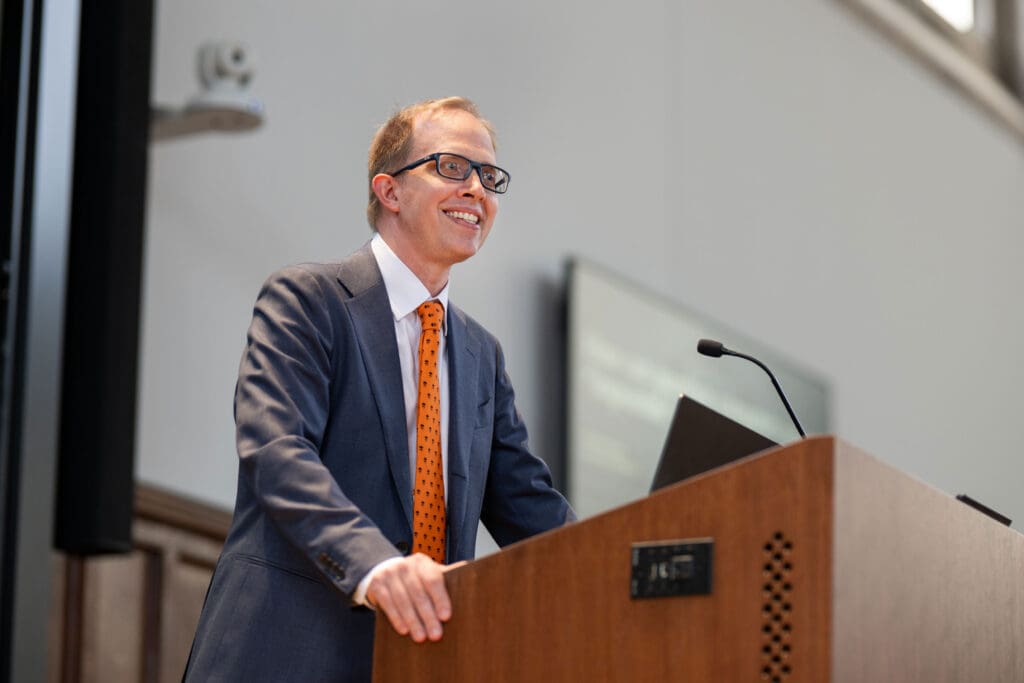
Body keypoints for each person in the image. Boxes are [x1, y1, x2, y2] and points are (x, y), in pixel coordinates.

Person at [182, 96, 575, 682]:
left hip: (418, 661)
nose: (477, 190)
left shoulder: (480, 356)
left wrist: (636, 564)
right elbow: (277, 453)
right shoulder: (306, 301)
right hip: (284, 652)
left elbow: (531, 508)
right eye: (452, 167)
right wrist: (377, 568)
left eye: (489, 177)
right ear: (390, 191)